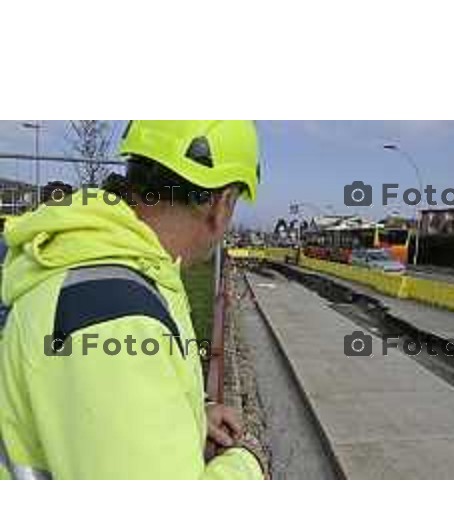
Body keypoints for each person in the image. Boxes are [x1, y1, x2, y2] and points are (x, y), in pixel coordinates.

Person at [0, 120, 266, 480]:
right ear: (222, 204)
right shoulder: (116, 309)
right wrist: (247, 462)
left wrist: (188, 416)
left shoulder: (113, 266)